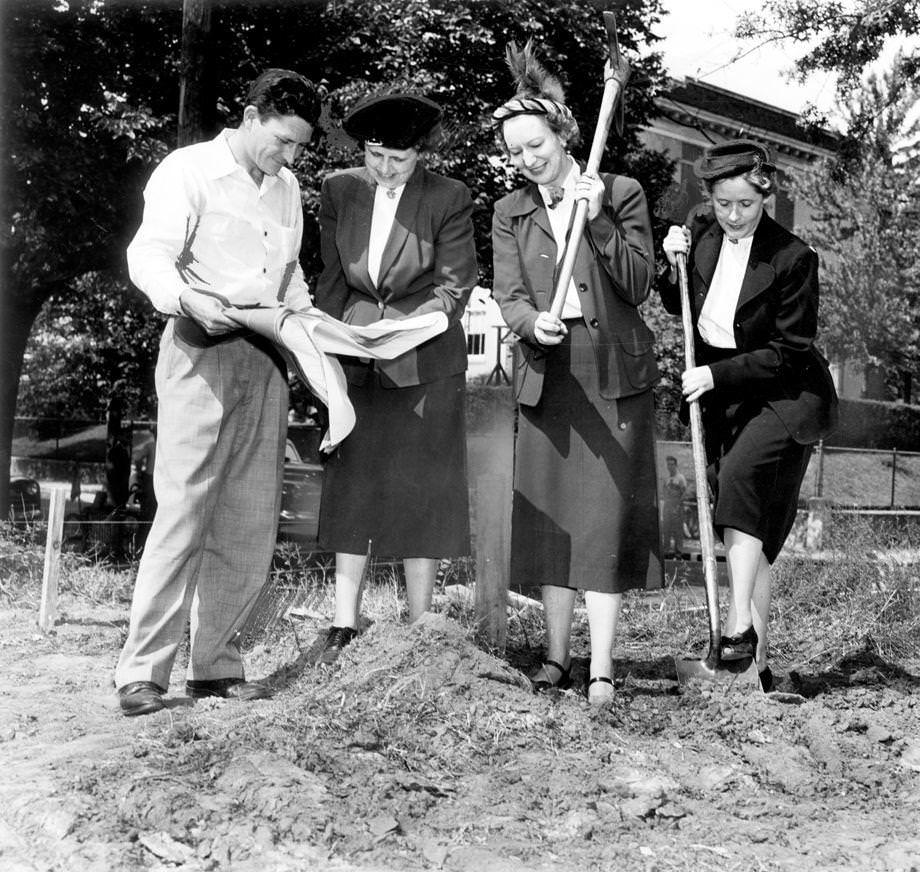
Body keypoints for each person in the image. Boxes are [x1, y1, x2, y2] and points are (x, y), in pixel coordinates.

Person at [114, 69, 323, 716]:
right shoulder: (189, 170)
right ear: (252, 114)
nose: (289, 157)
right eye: (282, 141)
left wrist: (316, 336)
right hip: (199, 350)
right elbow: (149, 254)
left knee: (250, 517)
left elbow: (289, 286)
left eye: (299, 148)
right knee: (184, 511)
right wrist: (185, 298)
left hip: (265, 361)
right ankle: (142, 674)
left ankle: (217, 667)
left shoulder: (286, 190)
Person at [490, 44, 661, 704]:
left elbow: (639, 282)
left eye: (536, 144)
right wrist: (534, 323)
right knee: (554, 525)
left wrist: (600, 223)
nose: (528, 159)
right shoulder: (510, 212)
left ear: (563, 134)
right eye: (517, 152)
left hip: (610, 372)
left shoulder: (618, 192)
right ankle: (558, 658)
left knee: (600, 524)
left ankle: (603, 666)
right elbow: (508, 295)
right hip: (547, 373)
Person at [662, 140, 838, 692]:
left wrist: (715, 376)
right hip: (727, 401)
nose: (733, 215)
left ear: (766, 196)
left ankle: (736, 632)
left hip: (788, 397)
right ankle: (753, 669)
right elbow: (679, 302)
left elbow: (790, 351)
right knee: (751, 532)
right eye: (722, 204)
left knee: (738, 483)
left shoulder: (793, 258)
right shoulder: (702, 230)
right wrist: (673, 261)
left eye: (745, 204)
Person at [313, 93, 478, 662]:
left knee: (423, 490)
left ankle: (421, 622)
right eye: (375, 156)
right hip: (355, 355)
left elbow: (454, 286)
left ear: (420, 155)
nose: (384, 171)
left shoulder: (449, 197)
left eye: (399, 161)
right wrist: (334, 339)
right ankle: (343, 623)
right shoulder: (339, 190)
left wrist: (408, 331)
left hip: (425, 360)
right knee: (352, 481)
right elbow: (332, 278)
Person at [660, 455, 688, 557]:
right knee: (666, 529)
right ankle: (666, 551)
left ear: (675, 465)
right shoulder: (666, 478)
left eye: (672, 464)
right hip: (668, 506)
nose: (670, 466)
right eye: (668, 464)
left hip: (677, 506)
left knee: (678, 530)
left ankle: (678, 552)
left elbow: (684, 493)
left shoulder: (680, 478)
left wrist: (679, 505)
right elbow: (663, 491)